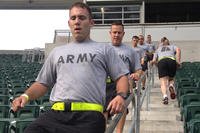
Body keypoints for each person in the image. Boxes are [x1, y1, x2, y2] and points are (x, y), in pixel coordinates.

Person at [11, 2, 129, 133]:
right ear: (69, 23)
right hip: (56, 114)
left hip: (89, 117)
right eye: (73, 18)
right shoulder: (57, 52)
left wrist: (121, 96)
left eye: (82, 18)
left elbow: (121, 77)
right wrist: (25, 96)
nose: (77, 21)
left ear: (91, 22)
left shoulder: (104, 49)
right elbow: (43, 83)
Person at [105, 22, 142, 133]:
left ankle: (119, 132)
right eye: (114, 32)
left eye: (119, 32)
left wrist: (136, 74)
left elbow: (138, 69)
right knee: (103, 111)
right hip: (105, 84)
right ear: (110, 33)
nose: (116, 35)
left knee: (121, 109)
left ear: (123, 34)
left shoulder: (130, 51)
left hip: (123, 84)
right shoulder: (103, 49)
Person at [151, 37, 181, 104]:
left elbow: (154, 60)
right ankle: (171, 86)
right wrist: (178, 61)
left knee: (163, 82)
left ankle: (165, 97)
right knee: (171, 78)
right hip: (171, 60)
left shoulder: (158, 49)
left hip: (162, 61)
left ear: (161, 43)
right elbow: (178, 50)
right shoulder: (172, 46)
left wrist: (155, 64)